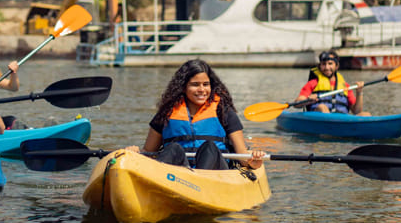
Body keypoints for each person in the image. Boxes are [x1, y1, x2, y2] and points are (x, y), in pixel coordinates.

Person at [126, 59, 265, 170]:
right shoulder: (166, 113)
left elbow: (241, 155)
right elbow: (149, 152)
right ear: (183, 87)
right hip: (178, 175)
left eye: (206, 84)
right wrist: (135, 152)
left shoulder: (223, 111)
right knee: (173, 149)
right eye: (195, 84)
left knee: (210, 147)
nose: (202, 90)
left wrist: (253, 162)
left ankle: (199, 182)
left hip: (215, 175)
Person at [293, 50, 371, 116]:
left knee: (366, 115)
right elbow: (297, 103)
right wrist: (308, 100)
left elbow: (356, 111)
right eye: (324, 64)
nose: (327, 67)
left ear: (336, 66)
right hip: (320, 119)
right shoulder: (313, 83)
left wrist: (359, 92)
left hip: (341, 120)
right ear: (320, 66)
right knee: (322, 107)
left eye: (330, 64)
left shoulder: (345, 86)